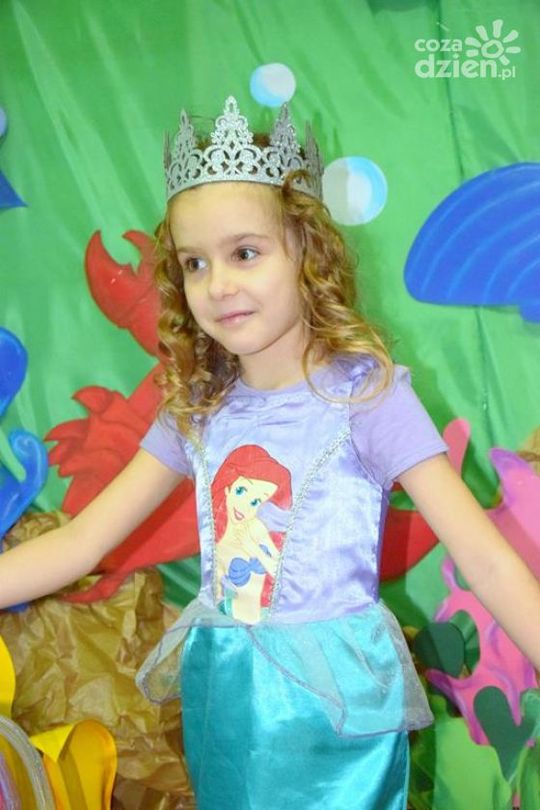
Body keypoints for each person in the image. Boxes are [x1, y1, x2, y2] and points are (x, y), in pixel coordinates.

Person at [1, 96, 539, 809]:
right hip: (227, 698)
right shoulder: (197, 407)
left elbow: (487, 560)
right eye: (194, 263)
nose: (218, 285)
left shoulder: (368, 398)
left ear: (308, 253)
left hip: (334, 713)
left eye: (245, 253)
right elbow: (81, 541)